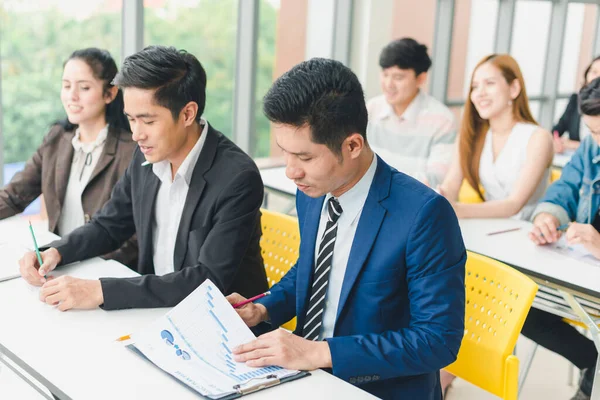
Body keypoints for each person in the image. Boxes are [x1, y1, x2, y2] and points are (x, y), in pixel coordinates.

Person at [226, 58, 466, 400]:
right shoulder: (312, 191)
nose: (291, 171)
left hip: (374, 387)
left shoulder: (424, 215)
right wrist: (264, 308)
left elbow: (437, 340)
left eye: (305, 157)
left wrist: (320, 353)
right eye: (285, 153)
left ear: (352, 145)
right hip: (303, 377)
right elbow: (312, 270)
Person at [18, 46, 268, 311]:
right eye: (131, 120)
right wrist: (56, 251)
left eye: (147, 121)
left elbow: (207, 279)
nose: (136, 134)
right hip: (154, 310)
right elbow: (109, 225)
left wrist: (100, 290)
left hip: (220, 322)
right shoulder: (145, 157)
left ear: (187, 114)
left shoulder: (237, 178)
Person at [0, 48, 138, 267]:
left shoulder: (132, 150)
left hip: (103, 270)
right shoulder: (56, 138)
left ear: (110, 93)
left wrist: (89, 271)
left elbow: (131, 234)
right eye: (66, 86)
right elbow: (14, 196)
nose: (71, 96)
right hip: (57, 263)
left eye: (84, 87)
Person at [526, 77, 600, 400]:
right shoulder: (590, 146)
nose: (598, 140)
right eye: (594, 131)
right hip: (584, 276)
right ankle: (592, 362)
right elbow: (565, 187)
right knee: (521, 301)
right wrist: (548, 216)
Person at [438, 54, 553, 220]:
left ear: (513, 89)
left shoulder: (538, 138)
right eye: (475, 87)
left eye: (489, 83)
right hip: (487, 229)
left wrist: (457, 209)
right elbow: (451, 185)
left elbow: (513, 204)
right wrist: (438, 195)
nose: (480, 93)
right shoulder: (472, 135)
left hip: (528, 234)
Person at [366, 37, 456, 188]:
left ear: (421, 78)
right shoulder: (371, 109)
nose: (389, 84)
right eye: (385, 74)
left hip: (414, 202)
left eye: (398, 77)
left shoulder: (442, 120)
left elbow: (436, 177)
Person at [553, 56, 600, 154]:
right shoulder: (575, 100)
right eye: (594, 72)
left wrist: (574, 145)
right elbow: (558, 128)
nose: (597, 78)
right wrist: (556, 142)